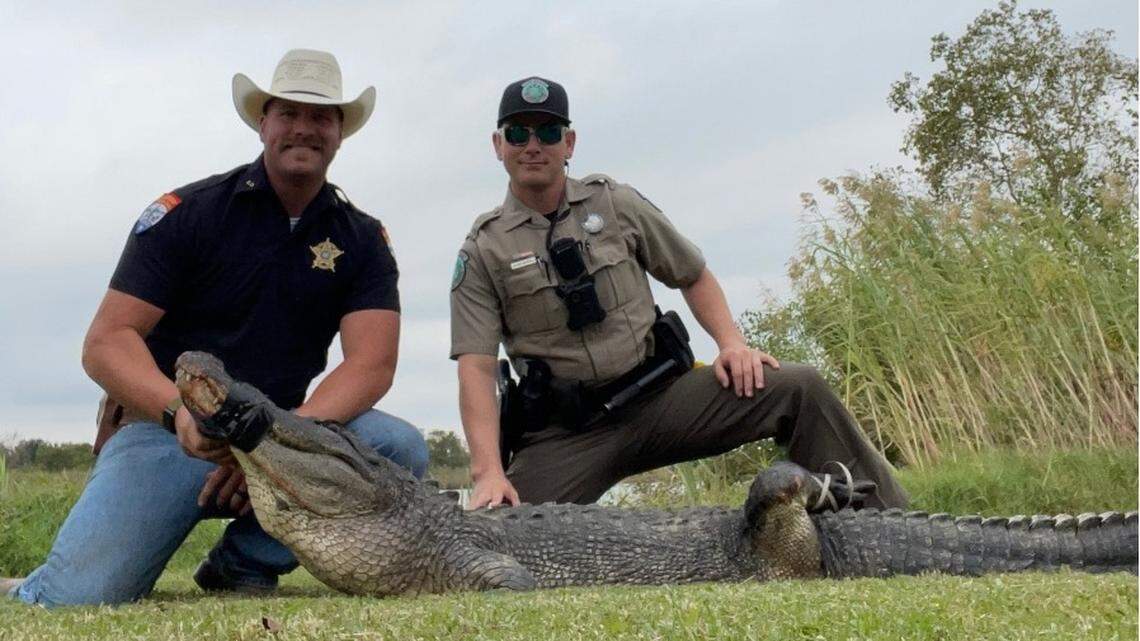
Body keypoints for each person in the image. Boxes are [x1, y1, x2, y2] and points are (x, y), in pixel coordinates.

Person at [3, 49, 427, 607]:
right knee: (79, 598)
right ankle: (29, 587)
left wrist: (278, 444)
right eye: (288, 113)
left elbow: (371, 362)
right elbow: (106, 343)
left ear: (340, 131)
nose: (304, 127)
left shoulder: (363, 238)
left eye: (321, 116)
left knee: (398, 446)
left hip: (285, 435)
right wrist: (178, 414)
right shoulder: (190, 212)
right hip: (170, 434)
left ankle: (242, 563)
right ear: (262, 123)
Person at [450, 76, 909, 509]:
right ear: (498, 145)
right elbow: (476, 367)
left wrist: (731, 344)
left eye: (548, 131)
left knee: (799, 387)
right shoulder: (483, 249)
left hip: (665, 400)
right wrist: (488, 471)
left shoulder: (616, 203)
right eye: (518, 133)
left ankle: (884, 522)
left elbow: (693, 274)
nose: (533, 145)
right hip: (570, 433)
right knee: (501, 529)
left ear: (569, 143)